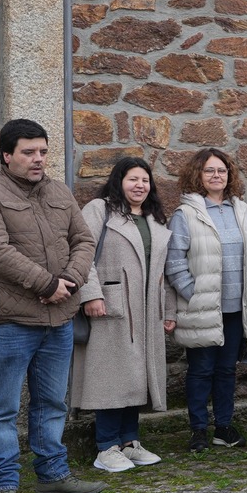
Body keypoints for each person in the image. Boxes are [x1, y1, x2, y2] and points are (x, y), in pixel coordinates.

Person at [72, 157, 175, 475]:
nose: (140, 185)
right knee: (111, 377)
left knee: (138, 376)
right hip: (111, 307)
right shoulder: (99, 210)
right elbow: (81, 254)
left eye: (145, 180)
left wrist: (168, 309)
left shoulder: (155, 219)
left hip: (148, 310)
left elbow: (163, 273)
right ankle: (106, 447)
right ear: (119, 181)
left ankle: (130, 442)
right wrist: (91, 295)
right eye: (133, 179)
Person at [167, 147, 247, 453]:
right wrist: (193, 295)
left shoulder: (240, 210)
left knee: (227, 370)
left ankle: (224, 427)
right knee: (201, 370)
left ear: (229, 174)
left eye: (222, 170)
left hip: (236, 307)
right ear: (198, 175)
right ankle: (198, 430)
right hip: (203, 307)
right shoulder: (187, 213)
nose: (216, 176)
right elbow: (175, 261)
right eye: (210, 171)